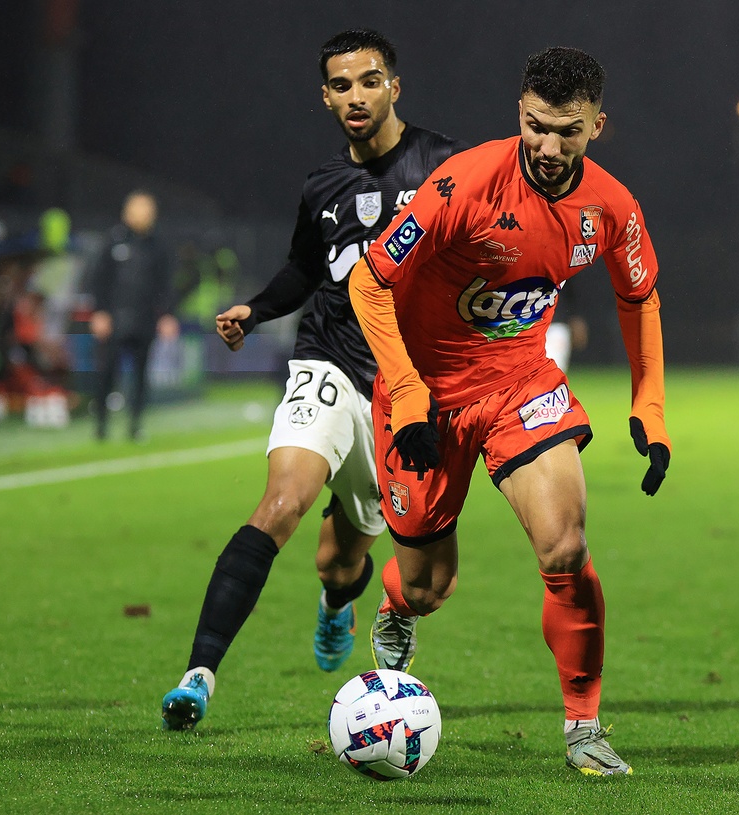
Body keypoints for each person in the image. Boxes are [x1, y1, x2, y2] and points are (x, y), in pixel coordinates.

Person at [348, 47, 671, 777]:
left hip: (520, 383)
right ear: (517, 113)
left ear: (597, 125)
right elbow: (370, 283)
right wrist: (405, 392)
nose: (550, 148)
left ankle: (583, 727)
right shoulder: (462, 184)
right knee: (429, 585)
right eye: (536, 127)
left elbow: (639, 295)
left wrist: (649, 408)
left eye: (569, 131)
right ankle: (397, 603)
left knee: (565, 548)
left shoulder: (611, 207)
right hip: (423, 391)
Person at [160, 29, 464, 731]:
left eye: (369, 80)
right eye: (341, 85)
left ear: (394, 86)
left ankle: (336, 601)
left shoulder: (445, 163)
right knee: (282, 500)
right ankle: (198, 675)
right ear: (324, 96)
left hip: (402, 390)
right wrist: (255, 307)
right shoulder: (322, 186)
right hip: (326, 357)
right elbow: (305, 268)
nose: (355, 96)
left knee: (339, 559)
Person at [88, 190, 178, 441]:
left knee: (141, 375)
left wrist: (167, 315)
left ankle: (135, 425)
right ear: (126, 212)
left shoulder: (159, 246)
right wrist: (100, 312)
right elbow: (98, 279)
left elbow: (166, 284)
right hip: (115, 319)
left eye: (147, 210)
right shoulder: (113, 241)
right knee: (107, 373)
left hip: (144, 319)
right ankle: (101, 425)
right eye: (138, 209)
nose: (143, 215)